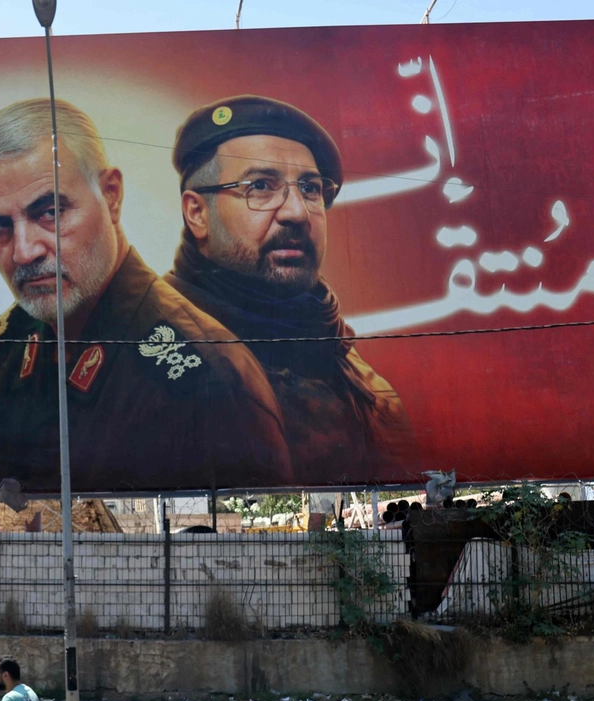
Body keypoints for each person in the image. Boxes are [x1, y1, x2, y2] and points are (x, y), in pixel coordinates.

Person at [0, 99, 291, 493]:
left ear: (111, 196)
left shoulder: (210, 380)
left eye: (50, 212)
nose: (25, 251)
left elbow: (245, 544)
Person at [164, 96, 412, 483]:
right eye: (261, 186)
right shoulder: (153, 352)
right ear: (198, 213)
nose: (297, 212)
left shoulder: (358, 377)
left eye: (311, 188)